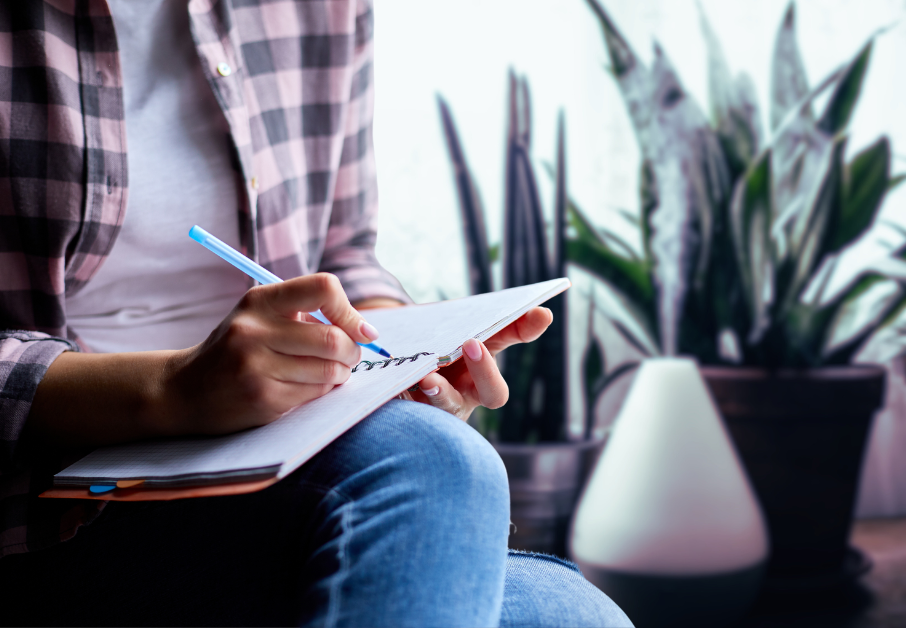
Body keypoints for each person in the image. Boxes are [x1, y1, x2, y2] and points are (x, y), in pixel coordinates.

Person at [0, 1, 633, 626]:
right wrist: (174, 389)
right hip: (46, 517)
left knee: (571, 613)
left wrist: (409, 358)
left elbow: (344, 250)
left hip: (275, 471)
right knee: (431, 462)